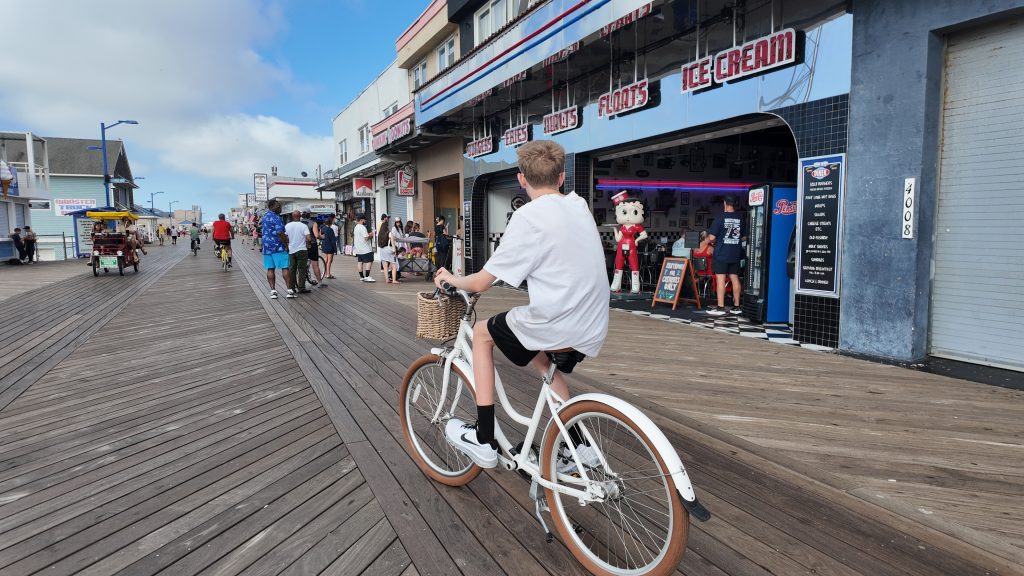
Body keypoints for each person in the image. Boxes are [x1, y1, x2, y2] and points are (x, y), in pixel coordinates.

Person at [435, 140, 609, 470]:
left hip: (558, 320)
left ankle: (483, 437)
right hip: (593, 323)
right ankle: (577, 444)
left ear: (521, 179)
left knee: (482, 333)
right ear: (561, 178)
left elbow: (483, 282)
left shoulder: (527, 217)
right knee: (543, 357)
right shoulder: (578, 205)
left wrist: (452, 279)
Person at [706, 195, 747, 316]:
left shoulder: (720, 217)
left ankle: (720, 307)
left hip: (722, 253)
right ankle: (737, 306)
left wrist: (710, 240)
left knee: (720, 279)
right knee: (734, 278)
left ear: (725, 203)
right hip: (735, 253)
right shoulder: (740, 218)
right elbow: (744, 237)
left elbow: (712, 237)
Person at [261, 200, 293, 299]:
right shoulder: (276, 218)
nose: (281, 209)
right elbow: (280, 232)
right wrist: (286, 245)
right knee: (285, 267)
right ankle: (289, 291)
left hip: (266, 247)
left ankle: (273, 291)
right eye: (279, 207)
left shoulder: (264, 217)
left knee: (270, 269)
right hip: (278, 247)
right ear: (275, 207)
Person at [285, 210, 312, 295]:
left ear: (292, 216)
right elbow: (308, 238)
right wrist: (309, 244)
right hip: (302, 250)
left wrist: (287, 245)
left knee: (292, 270)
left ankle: (292, 288)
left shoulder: (287, 226)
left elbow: (285, 237)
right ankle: (301, 288)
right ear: (300, 216)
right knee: (302, 269)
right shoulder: (303, 226)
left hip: (291, 250)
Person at [301, 212, 322, 286]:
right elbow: (316, 235)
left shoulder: (299, 223)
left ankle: (301, 284)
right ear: (309, 215)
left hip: (302, 245)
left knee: (301, 265)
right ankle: (319, 283)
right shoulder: (313, 223)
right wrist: (322, 237)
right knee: (315, 264)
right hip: (312, 244)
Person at [353, 214, 375, 282]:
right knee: (369, 261)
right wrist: (371, 234)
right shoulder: (362, 227)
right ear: (362, 220)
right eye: (364, 219)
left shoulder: (356, 227)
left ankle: (362, 277)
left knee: (360, 262)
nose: (365, 221)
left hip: (359, 248)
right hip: (365, 248)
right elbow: (366, 238)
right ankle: (367, 276)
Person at [378, 214, 400, 283]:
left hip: (382, 250)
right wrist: (394, 249)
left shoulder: (380, 233)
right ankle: (394, 280)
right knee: (394, 265)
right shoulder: (388, 231)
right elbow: (392, 238)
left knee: (385, 266)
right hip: (388, 250)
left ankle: (387, 279)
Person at [320, 214, 338, 279]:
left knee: (326, 260)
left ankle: (324, 273)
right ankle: (328, 274)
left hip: (324, 245)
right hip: (330, 247)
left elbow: (321, 236)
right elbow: (333, 240)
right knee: (329, 261)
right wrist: (335, 250)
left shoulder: (323, 228)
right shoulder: (330, 230)